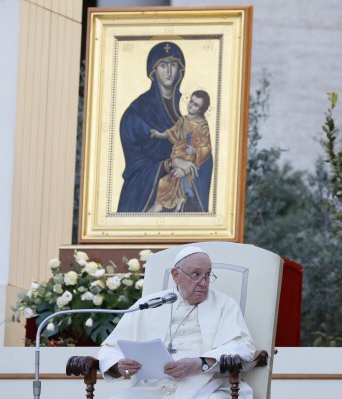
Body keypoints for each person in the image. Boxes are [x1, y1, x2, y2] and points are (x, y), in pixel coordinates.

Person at [98, 246, 256, 399]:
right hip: (153, 389)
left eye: (207, 275)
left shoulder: (225, 305)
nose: (203, 282)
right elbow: (111, 348)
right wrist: (119, 365)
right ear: (175, 275)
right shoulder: (149, 304)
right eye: (196, 274)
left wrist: (198, 364)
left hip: (209, 387)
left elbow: (243, 346)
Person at [117, 42, 213, 213]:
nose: (168, 72)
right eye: (163, 65)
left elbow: (206, 154)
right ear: (153, 71)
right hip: (146, 195)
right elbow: (135, 166)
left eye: (173, 65)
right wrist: (172, 163)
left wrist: (193, 158)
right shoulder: (137, 112)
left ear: (180, 70)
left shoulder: (187, 111)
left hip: (187, 199)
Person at [148, 90, 212, 212]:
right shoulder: (183, 121)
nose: (191, 106)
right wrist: (159, 134)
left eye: (196, 105)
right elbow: (172, 132)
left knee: (174, 178)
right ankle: (176, 200)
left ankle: (180, 199)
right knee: (167, 180)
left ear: (201, 110)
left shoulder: (203, 126)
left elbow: (207, 148)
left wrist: (196, 151)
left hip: (190, 158)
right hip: (179, 155)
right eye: (191, 101)